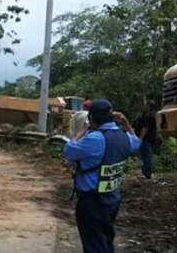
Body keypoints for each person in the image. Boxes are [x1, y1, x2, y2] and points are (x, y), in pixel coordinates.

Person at [63, 99, 140, 253]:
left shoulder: (95, 138)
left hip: (92, 202)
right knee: (105, 241)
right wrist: (126, 123)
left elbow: (69, 151)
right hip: (112, 199)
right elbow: (137, 142)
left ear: (91, 119)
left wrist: (82, 131)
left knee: (94, 246)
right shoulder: (123, 137)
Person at [136, 98, 158, 179]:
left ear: (148, 106)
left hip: (146, 138)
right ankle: (146, 172)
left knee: (146, 155)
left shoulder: (148, 115)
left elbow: (145, 128)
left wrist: (140, 138)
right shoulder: (153, 114)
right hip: (150, 138)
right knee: (146, 154)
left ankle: (146, 173)